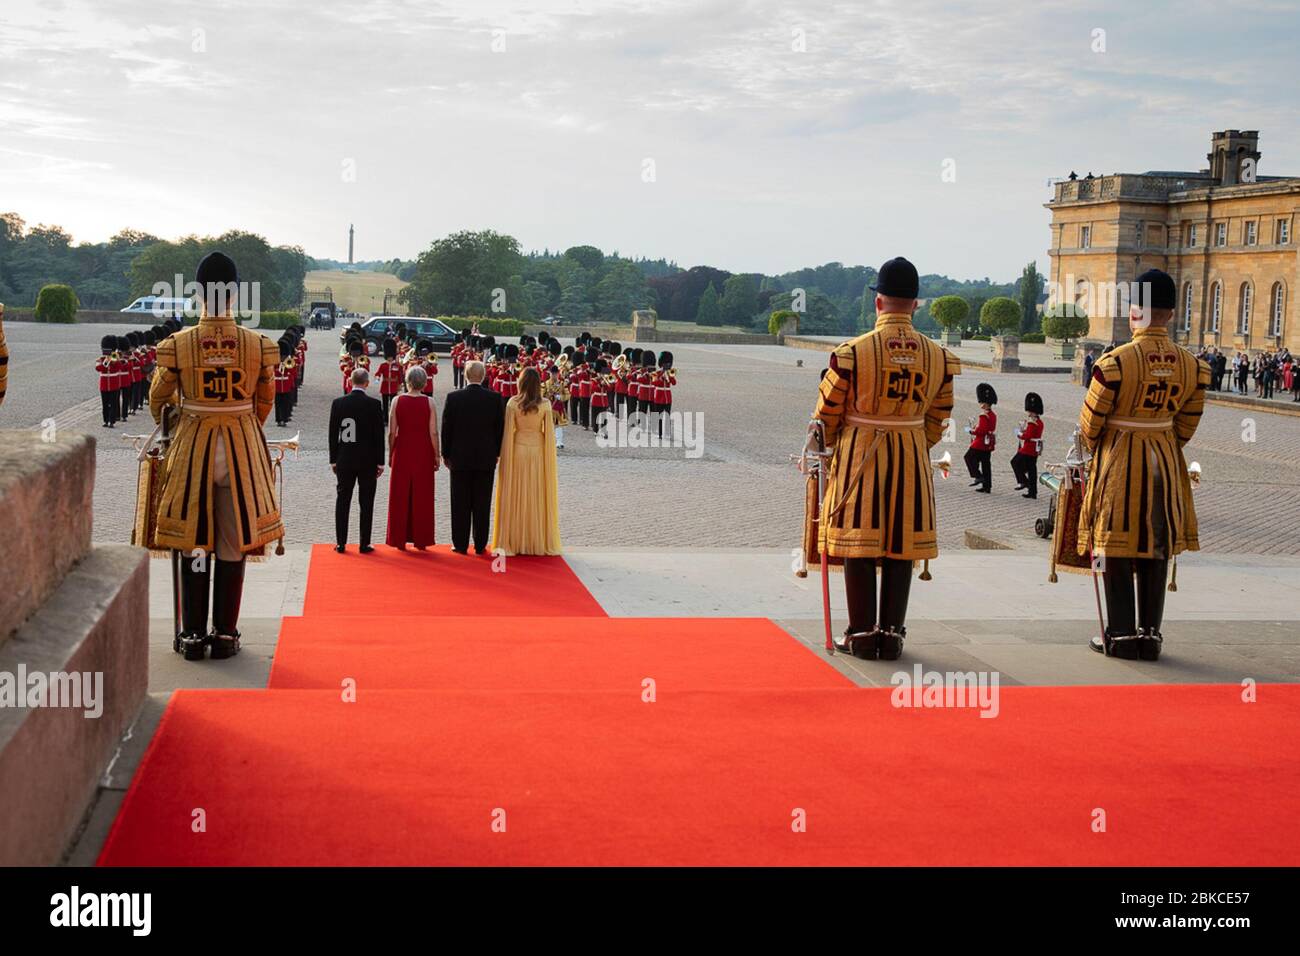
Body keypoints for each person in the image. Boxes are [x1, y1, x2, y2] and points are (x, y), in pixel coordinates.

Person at [812, 256, 960, 660]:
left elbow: (826, 414)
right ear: (916, 304)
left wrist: (835, 444)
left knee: (857, 541)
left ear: (878, 302)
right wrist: (913, 439)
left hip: (860, 450)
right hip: (911, 448)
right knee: (902, 542)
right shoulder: (938, 356)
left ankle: (860, 633)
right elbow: (940, 415)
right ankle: (892, 635)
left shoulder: (852, 352)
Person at [148, 252, 283, 661]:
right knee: (232, 539)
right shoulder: (258, 345)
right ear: (236, 292)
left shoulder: (179, 344)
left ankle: (191, 635)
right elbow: (264, 402)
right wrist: (239, 421)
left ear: (198, 292)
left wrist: (180, 421)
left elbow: (158, 401)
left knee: (193, 539)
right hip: (240, 447)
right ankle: (224, 635)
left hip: (193, 447)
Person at [1077, 268, 1209, 661]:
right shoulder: (1193, 366)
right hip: (1165, 457)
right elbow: (1188, 425)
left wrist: (1107, 444)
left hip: (1121, 457)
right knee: (1157, 543)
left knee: (1114, 544)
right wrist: (1161, 438)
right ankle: (1150, 634)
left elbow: (1090, 424)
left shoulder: (1115, 363)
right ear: (1170, 313)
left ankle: (1119, 634)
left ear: (1135, 311)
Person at [491, 365, 562, 556]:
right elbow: (549, 436)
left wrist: (504, 457)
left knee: (516, 495)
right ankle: (535, 539)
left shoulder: (513, 403)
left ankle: (515, 539)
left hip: (517, 450)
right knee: (536, 494)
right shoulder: (545, 404)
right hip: (538, 452)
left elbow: (507, 433)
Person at [441, 359, 506, 555]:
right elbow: (499, 429)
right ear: (484, 376)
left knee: (459, 502)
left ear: (467, 376)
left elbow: (446, 429)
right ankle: (479, 544)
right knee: (482, 502)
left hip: (459, 458)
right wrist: (496, 452)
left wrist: (446, 454)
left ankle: (459, 543)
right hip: (485, 457)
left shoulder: (454, 398)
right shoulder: (495, 399)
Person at [329, 367, 385, 554]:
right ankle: (364, 543)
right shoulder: (374, 405)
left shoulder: (338, 403)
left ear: (350, 382)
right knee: (366, 502)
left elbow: (332, 434)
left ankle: (341, 543)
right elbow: (379, 436)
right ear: (366, 383)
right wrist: (380, 461)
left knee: (342, 501)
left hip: (345, 457)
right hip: (367, 460)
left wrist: (333, 459)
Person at [386, 364, 440, 550]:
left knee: (400, 495)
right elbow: (433, 432)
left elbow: (392, 432)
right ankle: (421, 539)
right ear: (424, 382)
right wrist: (436, 455)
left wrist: (391, 451)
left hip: (402, 450)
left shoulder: (396, 401)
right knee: (422, 496)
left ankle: (398, 538)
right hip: (423, 450)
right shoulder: (430, 402)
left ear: (407, 381)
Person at [964, 382, 997, 493]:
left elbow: (981, 431)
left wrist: (972, 431)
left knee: (968, 457)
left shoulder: (983, 415)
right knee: (986, 464)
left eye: (981, 402)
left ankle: (978, 476)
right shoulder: (993, 415)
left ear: (984, 403)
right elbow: (989, 428)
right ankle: (987, 486)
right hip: (988, 443)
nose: (980, 404)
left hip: (980, 443)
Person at [1011, 391, 1044, 499]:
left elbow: (1027, 436)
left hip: (1028, 448)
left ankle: (1024, 482)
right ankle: (1032, 491)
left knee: (1015, 462)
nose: (1028, 413)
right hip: (1034, 449)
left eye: (1030, 411)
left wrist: (1019, 433)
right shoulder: (1039, 422)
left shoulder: (1032, 422)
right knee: (1031, 470)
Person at [96, 335, 119, 427]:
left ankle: (112, 421)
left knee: (113, 404)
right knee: (105, 404)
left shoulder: (115, 356)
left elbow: (119, 367)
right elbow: (98, 368)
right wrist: (105, 361)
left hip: (114, 384)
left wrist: (114, 360)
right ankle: (106, 420)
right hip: (104, 385)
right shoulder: (101, 358)